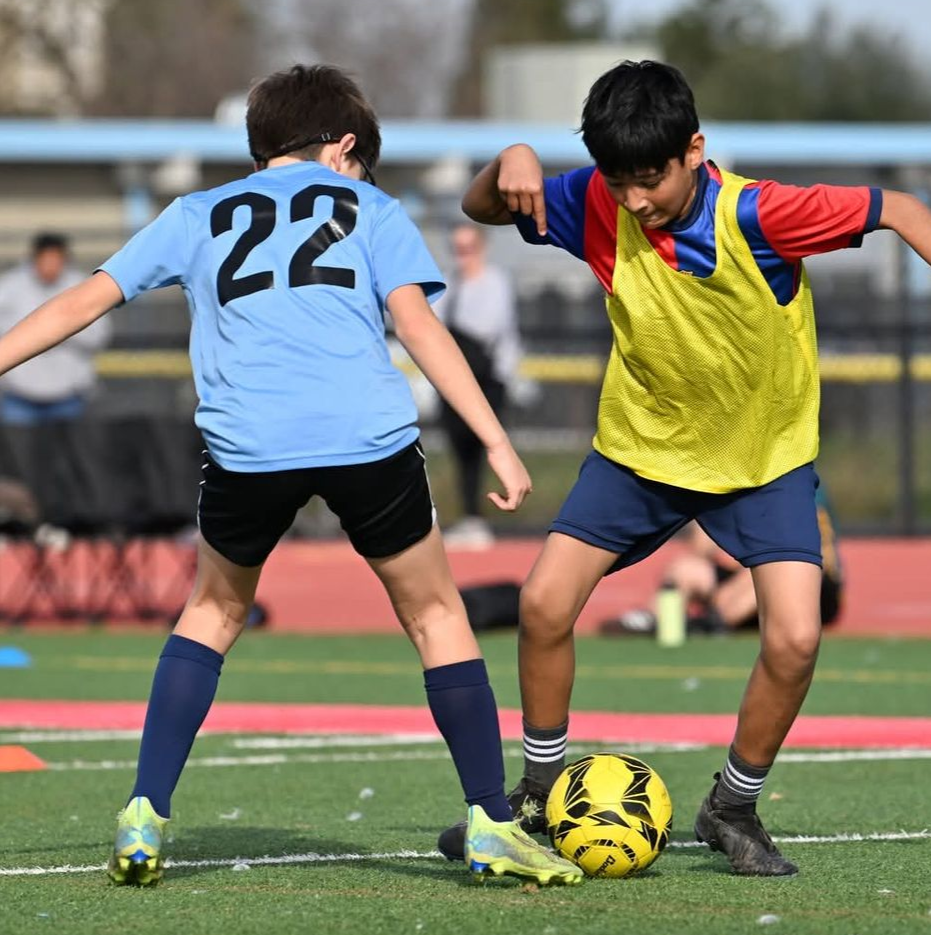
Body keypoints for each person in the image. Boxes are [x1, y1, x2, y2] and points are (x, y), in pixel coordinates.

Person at [0, 63, 580, 890]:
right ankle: (490, 820)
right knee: (436, 613)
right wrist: (494, 438)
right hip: (364, 437)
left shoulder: (196, 212)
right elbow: (417, 325)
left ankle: (143, 812)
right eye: (364, 161)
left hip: (248, 445)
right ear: (344, 146)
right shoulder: (372, 208)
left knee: (211, 611)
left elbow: (84, 301)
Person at [438, 59, 931, 877]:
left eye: (651, 179)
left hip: (762, 461)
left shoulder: (762, 214)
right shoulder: (597, 201)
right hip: (642, 452)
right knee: (541, 604)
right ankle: (538, 796)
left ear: (695, 151)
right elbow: (482, 206)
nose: (635, 199)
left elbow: (903, 209)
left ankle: (732, 805)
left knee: (795, 636)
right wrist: (509, 160)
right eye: (620, 181)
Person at [601, 481, 843, 636]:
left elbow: (787, 553)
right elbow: (700, 550)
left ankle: (711, 624)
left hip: (811, 586)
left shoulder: (790, 488)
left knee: (767, 571)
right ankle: (658, 622)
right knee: (686, 569)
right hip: (749, 588)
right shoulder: (733, 481)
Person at [435, 222, 522, 549]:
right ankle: (471, 517)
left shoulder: (495, 282)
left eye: (468, 248)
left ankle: (489, 517)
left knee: (489, 447)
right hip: (455, 380)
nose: (463, 256)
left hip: (488, 381)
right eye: (457, 249)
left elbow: (488, 327)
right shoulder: (448, 283)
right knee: (461, 451)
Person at [0, 232, 110, 425]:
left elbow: (99, 336)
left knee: (67, 455)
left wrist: (62, 328)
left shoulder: (84, 286)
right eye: (45, 260)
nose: (50, 267)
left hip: (69, 397)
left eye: (56, 260)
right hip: (18, 396)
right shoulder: (9, 287)